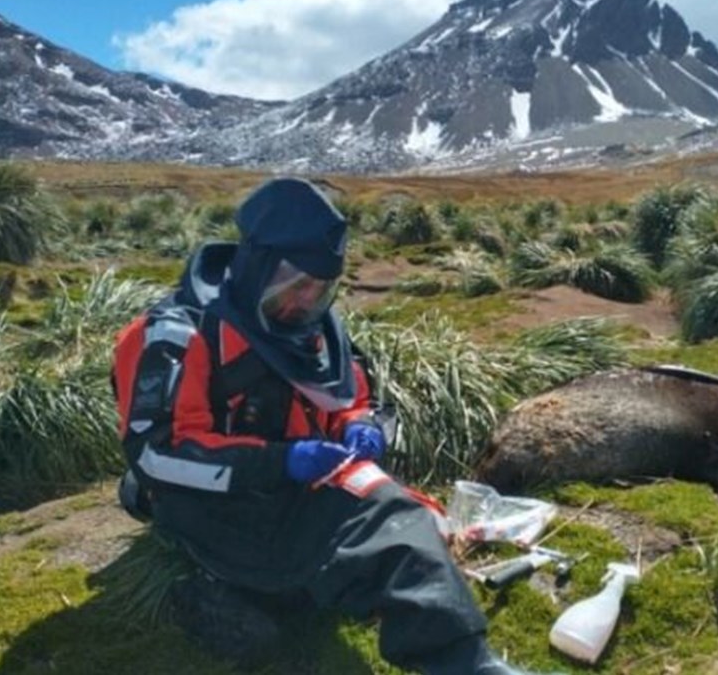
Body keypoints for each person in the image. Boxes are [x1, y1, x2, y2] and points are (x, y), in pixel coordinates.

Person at [111, 177, 549, 674]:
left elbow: (358, 400)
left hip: (294, 491)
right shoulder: (174, 336)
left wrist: (362, 426)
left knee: (412, 517)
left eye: (322, 288)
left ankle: (288, 592)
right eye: (296, 282)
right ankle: (467, 665)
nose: (307, 300)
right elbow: (156, 455)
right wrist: (281, 461)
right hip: (212, 502)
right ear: (257, 265)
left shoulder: (314, 330)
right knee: (385, 518)